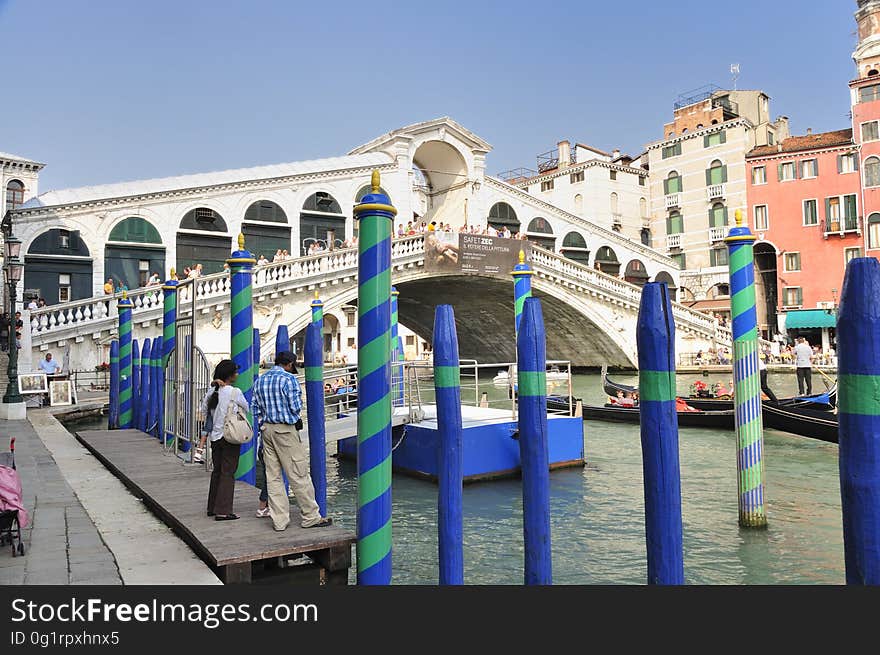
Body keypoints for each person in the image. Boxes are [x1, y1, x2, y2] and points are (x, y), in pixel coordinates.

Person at [252, 351, 331, 531]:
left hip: (267, 430)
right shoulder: (289, 380)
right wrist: (293, 417)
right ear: (289, 364)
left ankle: (279, 521)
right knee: (298, 473)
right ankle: (310, 516)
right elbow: (295, 406)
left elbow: (254, 408)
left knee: (273, 477)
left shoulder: (260, 380)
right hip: (285, 431)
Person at [199, 360, 249, 521]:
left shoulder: (211, 391)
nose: (237, 374)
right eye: (235, 371)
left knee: (217, 472)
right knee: (228, 473)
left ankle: (212, 507)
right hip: (229, 436)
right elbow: (246, 408)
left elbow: (204, 410)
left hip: (215, 436)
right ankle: (223, 511)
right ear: (230, 375)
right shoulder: (234, 392)